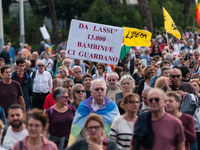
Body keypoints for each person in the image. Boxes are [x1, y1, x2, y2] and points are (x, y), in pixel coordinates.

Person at [67, 79, 119, 147]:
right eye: (97, 89)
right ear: (91, 92)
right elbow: (76, 128)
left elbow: (118, 127)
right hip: (87, 144)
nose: (100, 91)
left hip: (107, 145)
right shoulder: (84, 106)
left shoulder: (112, 107)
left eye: (102, 89)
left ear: (105, 92)